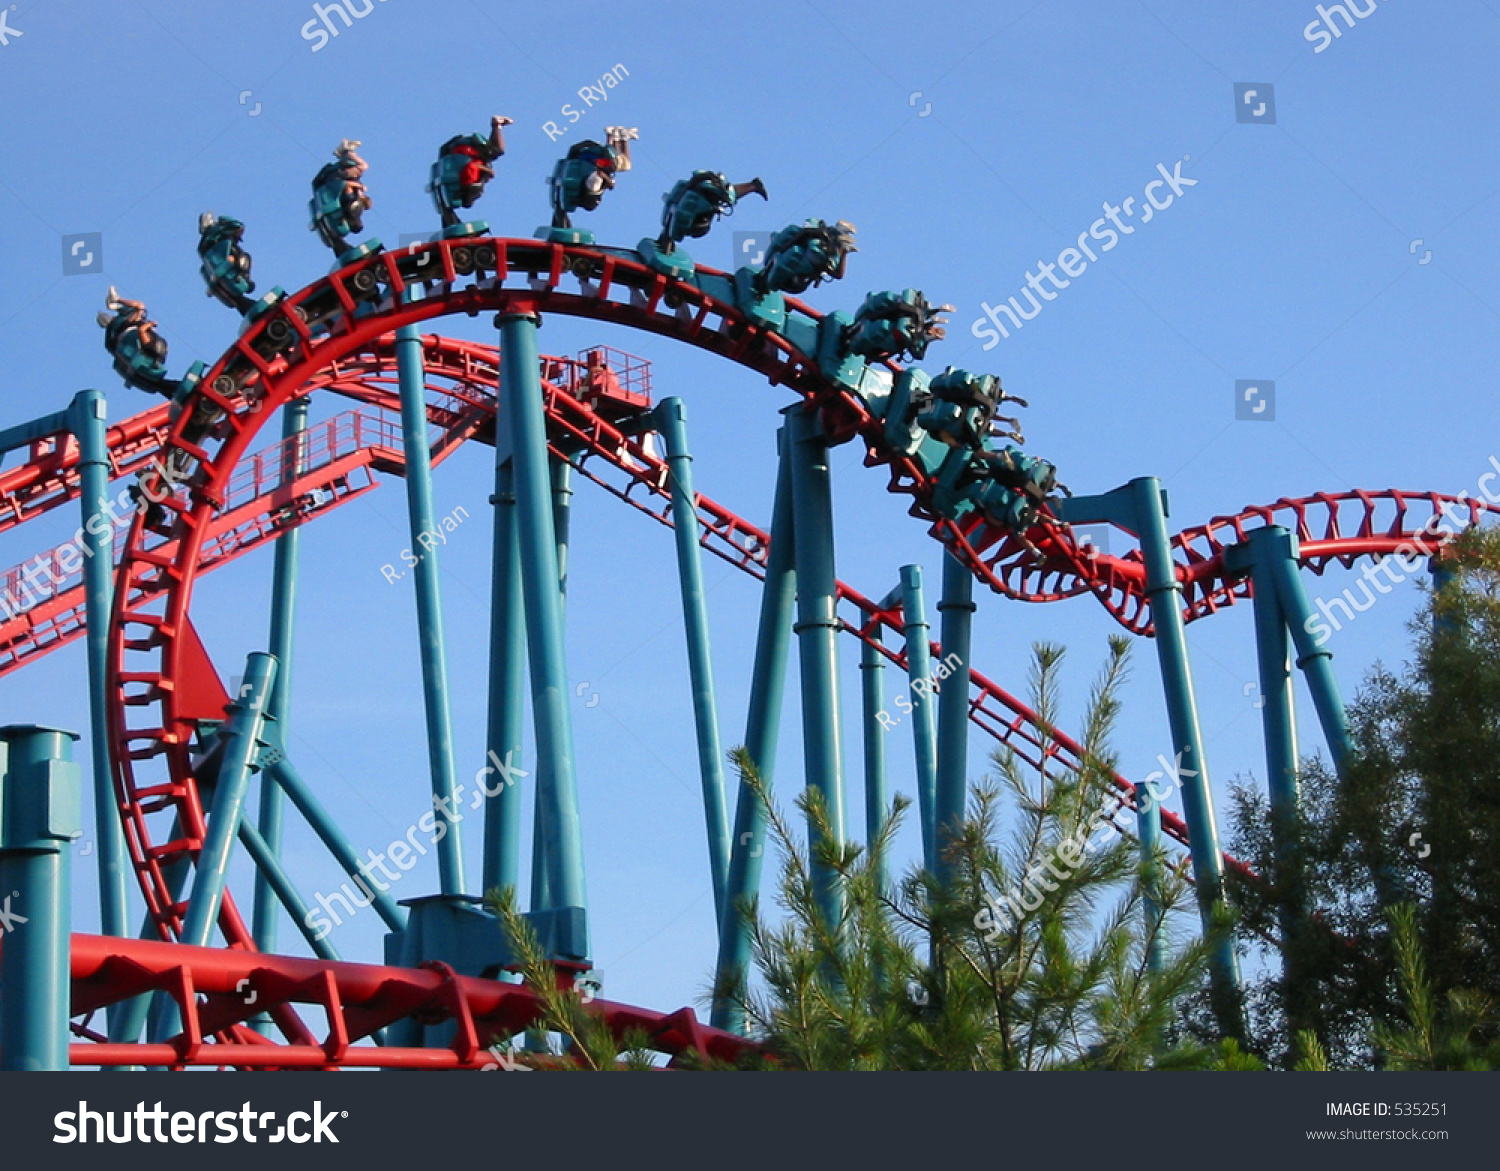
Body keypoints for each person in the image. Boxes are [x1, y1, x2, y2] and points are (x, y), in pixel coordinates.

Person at [431, 115, 512, 226]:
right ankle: (496, 125)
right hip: (462, 150)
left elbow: (470, 167)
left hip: (463, 150)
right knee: (494, 151)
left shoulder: (464, 183)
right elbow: (471, 167)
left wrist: (487, 172)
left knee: (495, 151)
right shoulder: (465, 183)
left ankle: (497, 125)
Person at [657, 170, 767, 252]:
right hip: (699, 192)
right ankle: (753, 186)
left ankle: (753, 186)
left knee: (727, 194)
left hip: (704, 190)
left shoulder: (696, 199)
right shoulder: (690, 201)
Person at [549, 126, 637, 228]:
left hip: (592, 161)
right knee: (616, 164)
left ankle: (617, 137)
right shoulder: (586, 186)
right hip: (589, 161)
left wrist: (609, 182)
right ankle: (617, 137)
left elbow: (599, 174)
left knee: (623, 165)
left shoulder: (593, 187)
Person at [97, 286, 172, 395]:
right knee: (140, 308)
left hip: (132, 348)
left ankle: (115, 301)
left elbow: (113, 352)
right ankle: (116, 299)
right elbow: (139, 307)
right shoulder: (122, 322)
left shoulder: (111, 337)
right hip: (132, 339)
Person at [310, 139, 371, 252]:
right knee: (362, 167)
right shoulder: (353, 208)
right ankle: (346, 151)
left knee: (363, 166)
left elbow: (344, 185)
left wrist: (358, 186)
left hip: (337, 180)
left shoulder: (350, 208)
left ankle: (346, 151)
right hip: (340, 183)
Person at [197, 212, 255, 312]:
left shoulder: (221, 237)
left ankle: (242, 280)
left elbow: (237, 226)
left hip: (231, 271)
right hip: (225, 272)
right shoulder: (209, 242)